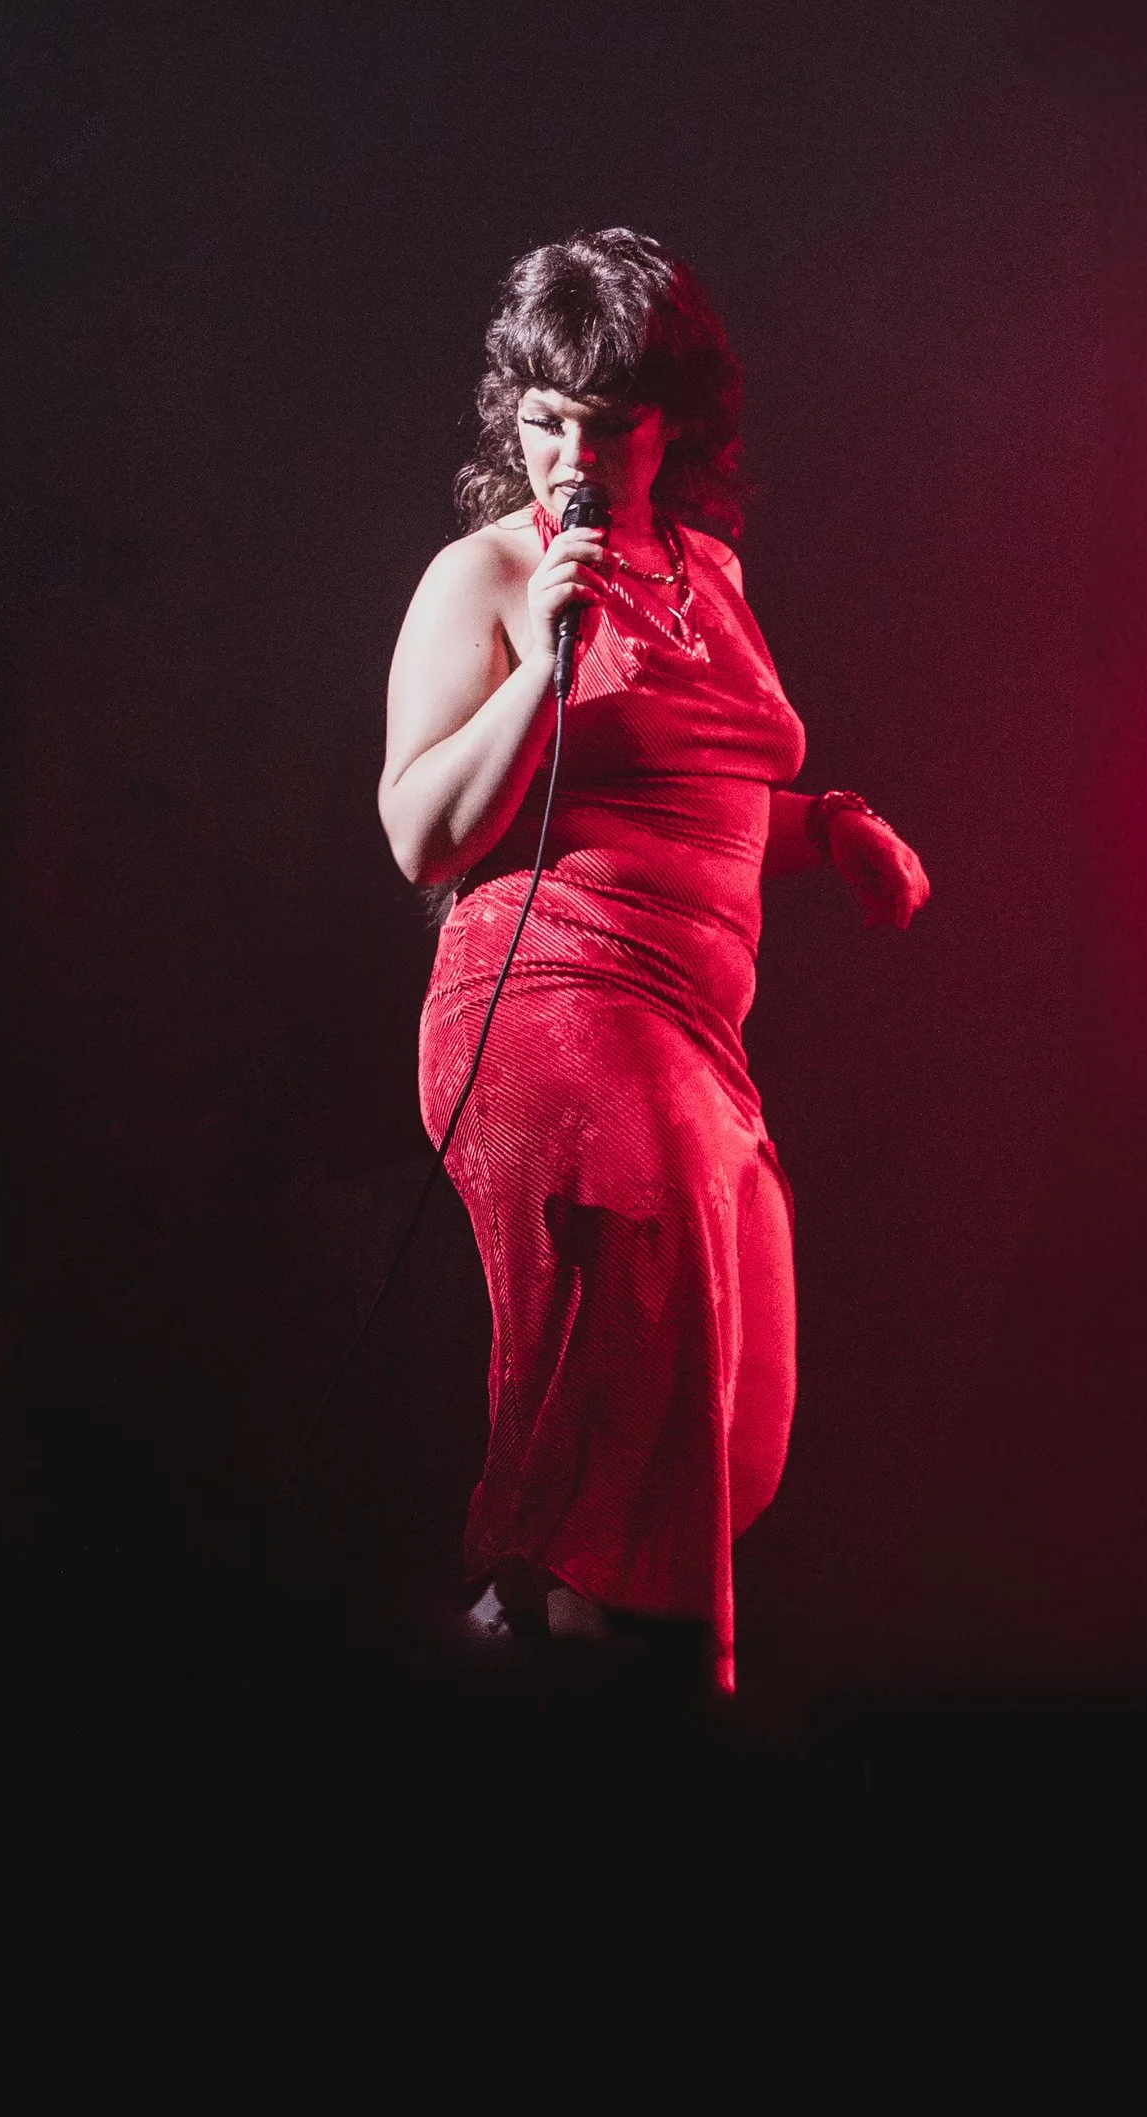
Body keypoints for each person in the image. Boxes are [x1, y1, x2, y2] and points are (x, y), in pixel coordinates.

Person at [378, 229, 928, 1689]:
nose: (568, 455)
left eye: (605, 427)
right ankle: (652, 1740)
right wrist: (541, 679)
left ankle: (527, 1639)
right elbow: (420, 833)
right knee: (658, 1424)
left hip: (693, 1027)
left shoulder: (713, 575)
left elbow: (703, 798)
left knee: (734, 1429)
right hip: (548, 1004)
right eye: (542, 420)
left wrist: (838, 832)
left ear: (670, 423)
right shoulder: (486, 579)